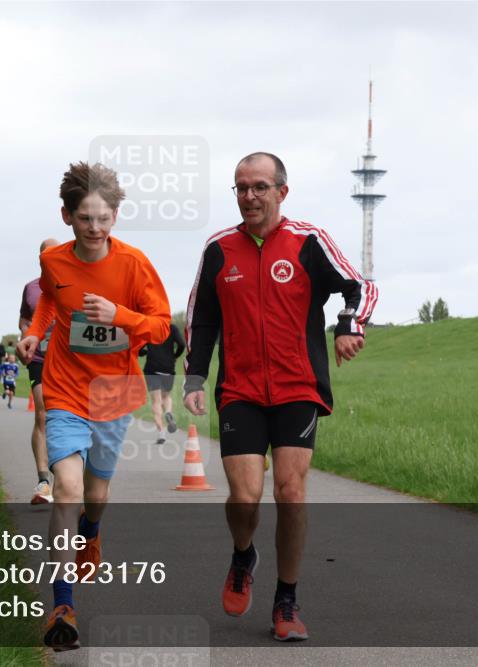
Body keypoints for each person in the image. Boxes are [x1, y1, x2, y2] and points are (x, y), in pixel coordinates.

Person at [183, 152, 378, 642]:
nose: (250, 196)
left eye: (260, 187)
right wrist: (194, 377)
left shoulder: (309, 242)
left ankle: (286, 599)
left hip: (297, 387)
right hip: (241, 390)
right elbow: (202, 316)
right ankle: (243, 553)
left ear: (281, 192)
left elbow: (360, 285)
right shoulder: (219, 249)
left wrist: (347, 326)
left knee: (290, 493)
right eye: (241, 187)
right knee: (244, 497)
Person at [17, 161, 170, 652]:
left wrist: (119, 316)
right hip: (64, 390)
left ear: (116, 216)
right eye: (86, 218)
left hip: (114, 393)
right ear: (67, 217)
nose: (96, 228)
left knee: (96, 496)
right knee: (67, 488)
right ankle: (62, 604)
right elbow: (49, 304)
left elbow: (161, 325)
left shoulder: (134, 264)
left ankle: (93, 530)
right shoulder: (54, 262)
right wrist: (34, 334)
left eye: (105, 218)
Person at [20, 237, 60, 505]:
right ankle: (44, 481)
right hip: (40, 357)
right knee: (43, 415)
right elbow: (24, 320)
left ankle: (70, 478)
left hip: (70, 359)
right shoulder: (31, 288)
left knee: (70, 416)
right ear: (40, 259)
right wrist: (26, 337)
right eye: (46, 255)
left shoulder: (77, 283)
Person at [138, 323, 186, 444]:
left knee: (156, 401)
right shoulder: (172, 328)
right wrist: (175, 356)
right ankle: (168, 412)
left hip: (152, 368)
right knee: (166, 397)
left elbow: (140, 348)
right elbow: (181, 344)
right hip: (168, 368)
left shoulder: (149, 326)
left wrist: (144, 352)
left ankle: (161, 433)